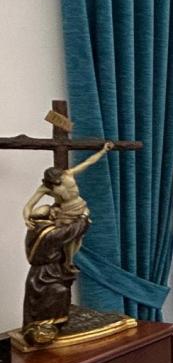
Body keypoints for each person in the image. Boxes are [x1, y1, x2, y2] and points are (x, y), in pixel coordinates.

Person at [20, 142, 113, 345]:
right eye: (56, 182)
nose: (60, 183)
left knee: (75, 244)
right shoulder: (47, 189)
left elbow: (88, 162)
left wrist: (103, 150)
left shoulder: (69, 175)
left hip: (79, 208)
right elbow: (29, 205)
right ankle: (68, 264)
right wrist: (26, 217)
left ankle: (68, 263)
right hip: (66, 215)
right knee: (67, 245)